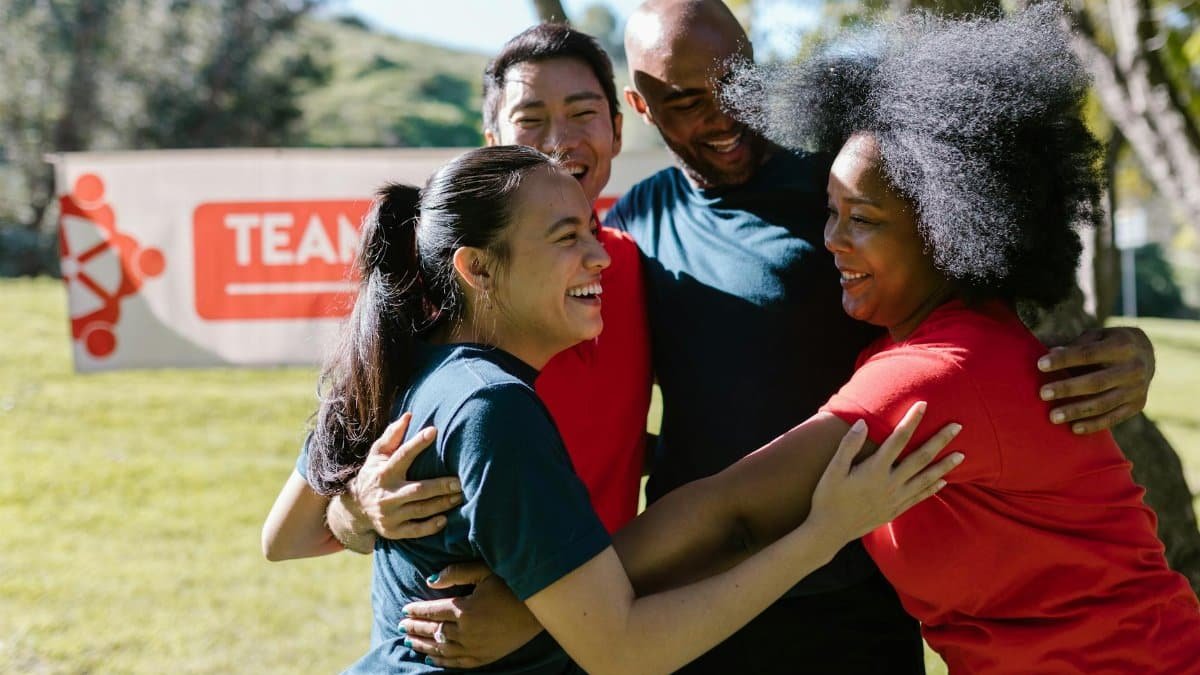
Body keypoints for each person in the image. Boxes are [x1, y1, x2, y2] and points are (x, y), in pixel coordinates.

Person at [350, 6, 1162, 672]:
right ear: (641, 108)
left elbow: (984, 327)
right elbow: (532, 391)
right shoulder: (628, 235)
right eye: (683, 99)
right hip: (688, 587)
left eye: (737, 82)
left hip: (849, 592)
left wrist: (1131, 350)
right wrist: (361, 502)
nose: (722, 114)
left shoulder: (856, 180)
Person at [281, 144, 961, 674]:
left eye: (592, 229)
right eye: (566, 237)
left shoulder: (422, 364)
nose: (599, 256)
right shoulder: (492, 406)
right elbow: (627, 650)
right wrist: (825, 531)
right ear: (476, 268)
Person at [685, 5, 1197, 670]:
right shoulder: (945, 344)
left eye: (863, 218)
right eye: (831, 212)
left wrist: (570, 586)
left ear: (946, 228)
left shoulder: (940, 371)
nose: (831, 239)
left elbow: (732, 514)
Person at [261, 25, 652, 564]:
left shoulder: (640, 269)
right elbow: (285, 536)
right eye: (530, 119)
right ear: (493, 143)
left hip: (595, 606)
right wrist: (356, 512)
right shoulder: (439, 285)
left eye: (582, 113)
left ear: (617, 130)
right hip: (457, 616)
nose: (558, 142)